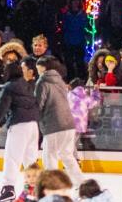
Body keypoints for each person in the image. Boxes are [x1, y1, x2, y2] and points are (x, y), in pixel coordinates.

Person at [0, 62, 38, 202]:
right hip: (33, 126)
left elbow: (1, 110)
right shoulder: (29, 85)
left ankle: (8, 190)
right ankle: (33, 190)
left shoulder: (10, 87)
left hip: (19, 127)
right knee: (30, 160)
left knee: (12, 159)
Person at [35, 56, 83, 186]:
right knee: (68, 157)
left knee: (49, 157)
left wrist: (33, 118)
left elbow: (38, 104)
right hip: (69, 124)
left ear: (44, 68)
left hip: (53, 125)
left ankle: (53, 187)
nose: (37, 69)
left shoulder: (42, 81)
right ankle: (81, 185)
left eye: (38, 67)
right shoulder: (60, 81)